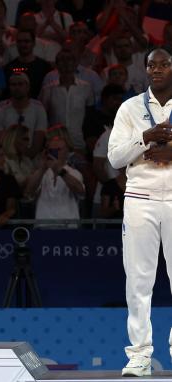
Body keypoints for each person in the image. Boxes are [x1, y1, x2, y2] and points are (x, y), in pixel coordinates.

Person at [108, 47, 172, 377]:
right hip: (140, 197)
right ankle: (140, 355)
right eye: (151, 65)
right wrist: (146, 137)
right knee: (138, 281)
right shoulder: (130, 108)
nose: (156, 69)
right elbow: (115, 157)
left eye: (163, 64)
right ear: (145, 70)